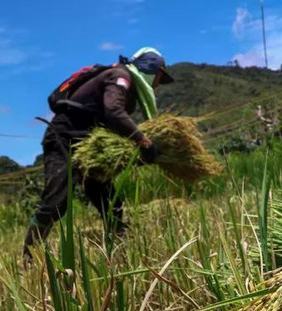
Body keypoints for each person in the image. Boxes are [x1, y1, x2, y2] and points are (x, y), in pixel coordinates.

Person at [23, 48, 174, 260]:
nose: (158, 84)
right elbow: (113, 111)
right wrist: (142, 140)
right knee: (57, 201)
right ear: (150, 69)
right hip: (64, 139)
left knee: (108, 198)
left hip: (88, 144)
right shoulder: (120, 77)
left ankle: (118, 250)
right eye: (159, 77)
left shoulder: (124, 81)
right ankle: (30, 256)